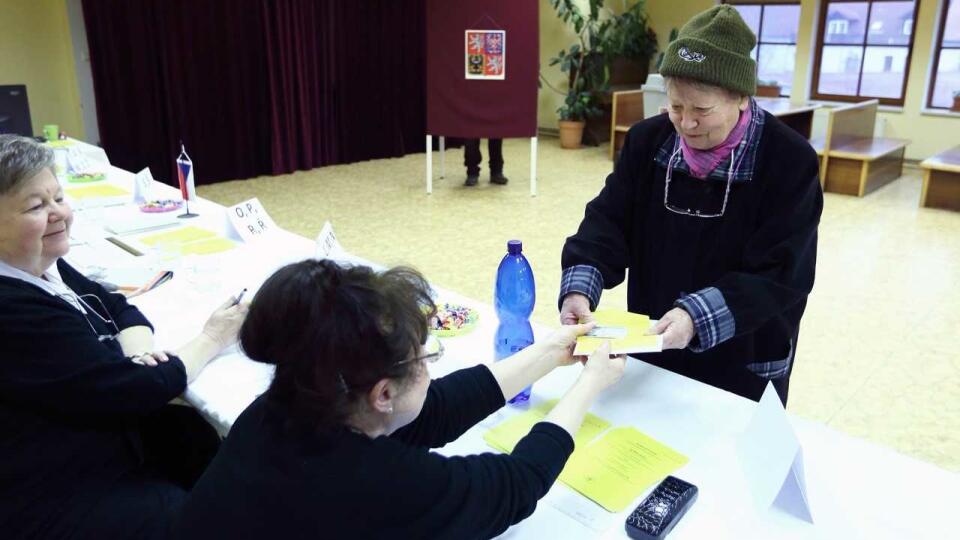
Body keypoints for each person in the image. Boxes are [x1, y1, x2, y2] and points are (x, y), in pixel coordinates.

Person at [175, 260, 625, 539]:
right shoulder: (376, 483)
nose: (430, 369)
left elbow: (437, 410)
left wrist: (550, 350)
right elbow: (512, 487)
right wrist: (588, 386)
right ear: (383, 393)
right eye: (425, 358)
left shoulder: (288, 403)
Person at [558, 5, 823, 405]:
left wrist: (694, 317)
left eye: (702, 109)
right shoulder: (649, 141)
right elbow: (608, 221)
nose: (686, 123)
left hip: (745, 354)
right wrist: (580, 287)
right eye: (676, 106)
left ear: (739, 97)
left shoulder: (788, 160)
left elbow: (781, 271)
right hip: (657, 344)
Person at [0, 134, 247, 539]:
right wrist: (212, 337)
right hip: (53, 484)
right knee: (201, 512)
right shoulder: (12, 309)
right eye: (36, 206)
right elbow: (131, 391)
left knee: (202, 438)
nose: (59, 213)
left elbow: (117, 307)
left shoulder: (40, 262)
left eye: (58, 197)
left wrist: (135, 357)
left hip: (93, 433)